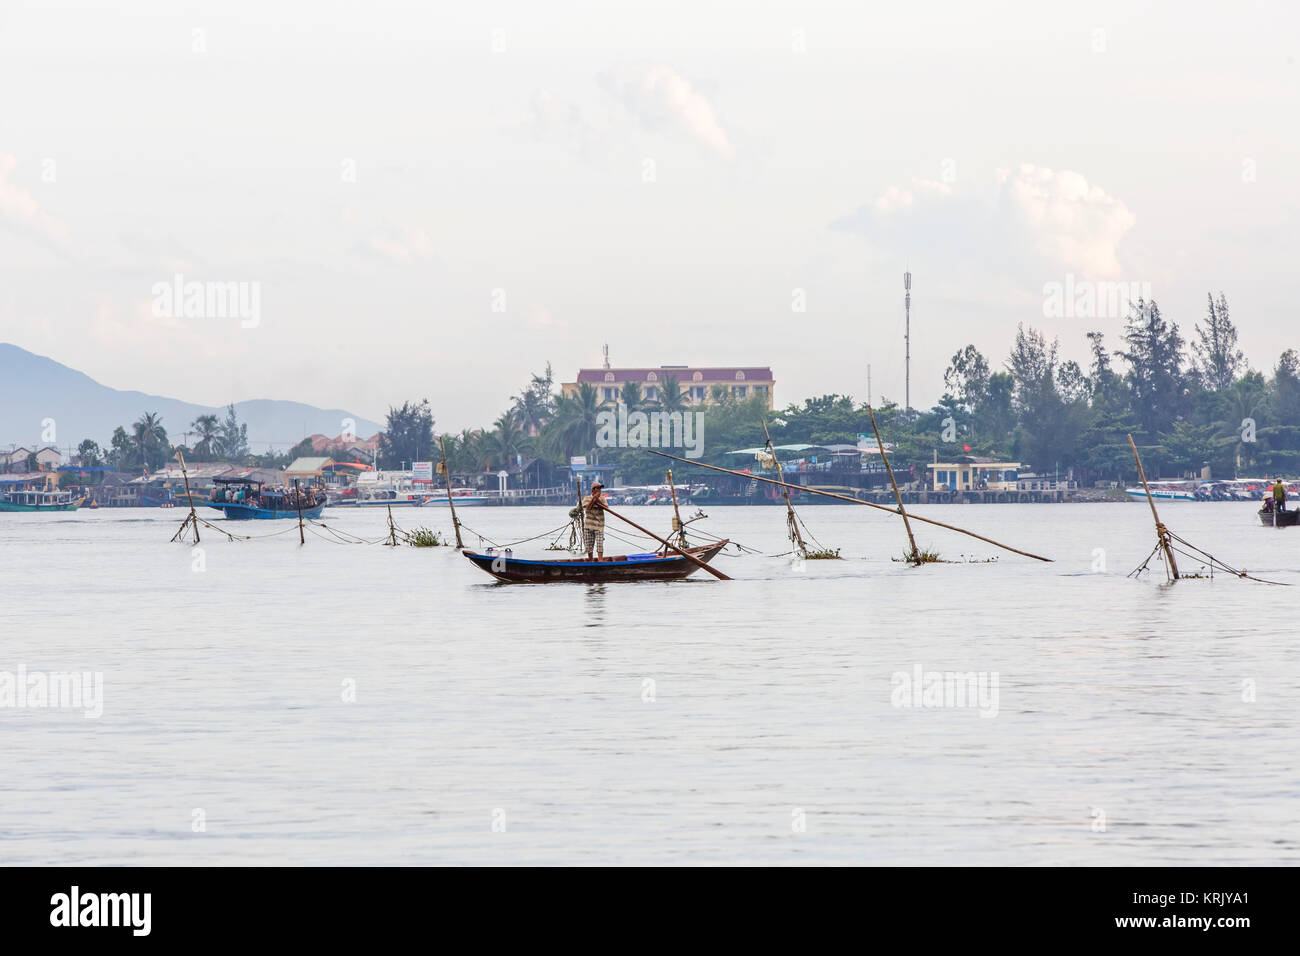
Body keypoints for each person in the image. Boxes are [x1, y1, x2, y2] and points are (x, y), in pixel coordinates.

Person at [581, 481, 607, 560]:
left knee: (599, 544)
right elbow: (588, 507)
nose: (600, 490)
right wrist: (593, 499)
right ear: (593, 489)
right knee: (589, 546)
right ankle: (591, 561)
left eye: (600, 488)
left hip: (599, 525)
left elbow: (606, 508)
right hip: (589, 525)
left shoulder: (602, 498)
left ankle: (600, 560)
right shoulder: (586, 498)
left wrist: (597, 499)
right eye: (598, 488)